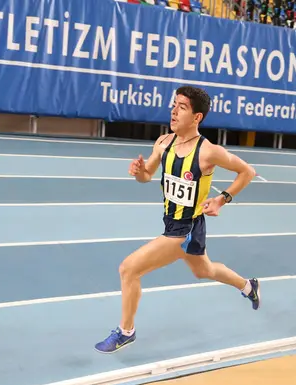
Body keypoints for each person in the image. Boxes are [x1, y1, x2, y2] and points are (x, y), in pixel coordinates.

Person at [94, 85, 261, 354]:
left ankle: (126, 332)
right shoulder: (164, 143)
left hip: (185, 230)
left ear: (197, 117)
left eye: (182, 107)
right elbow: (147, 175)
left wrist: (222, 199)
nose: (173, 110)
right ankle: (247, 285)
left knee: (129, 269)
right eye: (174, 104)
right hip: (172, 223)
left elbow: (248, 172)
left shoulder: (208, 152)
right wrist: (138, 171)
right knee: (203, 270)